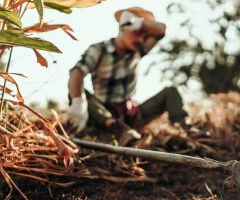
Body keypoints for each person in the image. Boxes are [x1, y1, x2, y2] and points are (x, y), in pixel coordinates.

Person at [66, 7, 190, 145]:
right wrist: (78, 101)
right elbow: (77, 72)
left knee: (171, 92)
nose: (141, 39)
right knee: (79, 94)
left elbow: (161, 31)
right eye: (137, 33)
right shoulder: (99, 50)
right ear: (123, 28)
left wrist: (140, 23)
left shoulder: (139, 50)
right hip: (103, 114)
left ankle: (187, 128)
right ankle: (118, 129)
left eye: (144, 35)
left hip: (131, 113)